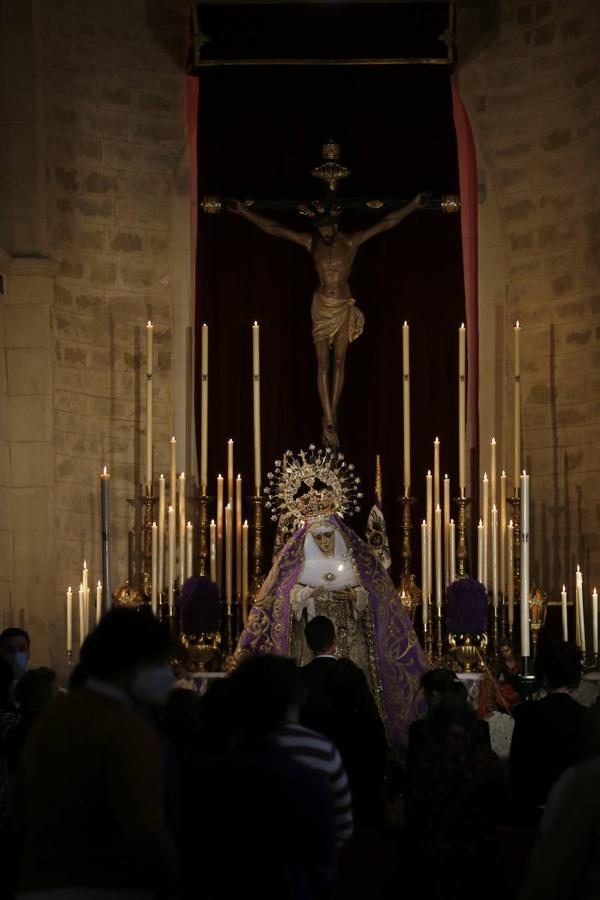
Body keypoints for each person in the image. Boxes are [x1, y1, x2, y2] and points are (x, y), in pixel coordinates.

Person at [228, 193, 425, 447]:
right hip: (321, 306)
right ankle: (329, 418)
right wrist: (244, 211)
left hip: (343, 304)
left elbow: (386, 223)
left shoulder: (351, 242)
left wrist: (412, 205)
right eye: (320, 228)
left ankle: (333, 415)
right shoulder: (312, 243)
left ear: (335, 225)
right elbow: (274, 228)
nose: (324, 232)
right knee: (322, 365)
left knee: (340, 362)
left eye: (327, 227)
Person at [12, 607, 177, 899]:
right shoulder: (125, 727)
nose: (168, 672)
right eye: (160, 662)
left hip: (39, 881)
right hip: (102, 885)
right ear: (134, 663)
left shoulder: (54, 715)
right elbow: (145, 828)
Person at [236, 513, 427, 751]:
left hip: (348, 639)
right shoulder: (301, 566)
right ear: (309, 540)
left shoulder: (352, 564)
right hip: (312, 641)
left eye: (328, 536)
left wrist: (356, 595)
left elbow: (370, 597)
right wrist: (307, 594)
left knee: (349, 692)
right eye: (318, 537)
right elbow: (288, 599)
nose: (325, 542)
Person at [509, 641, 585, 823]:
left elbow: (517, 766)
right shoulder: (584, 715)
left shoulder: (527, 714)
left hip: (533, 808)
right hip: (575, 809)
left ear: (543, 678)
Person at [0, 628, 31, 704]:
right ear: (2, 653)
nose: (16, 654)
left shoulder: (35, 685)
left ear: (28, 653)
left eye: (22, 649)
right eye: (10, 650)